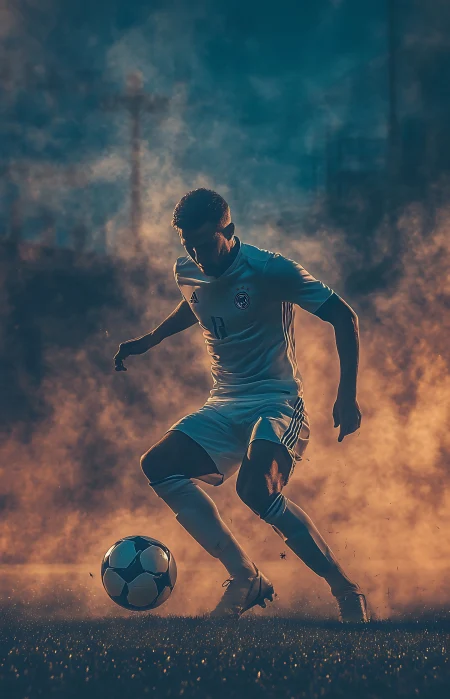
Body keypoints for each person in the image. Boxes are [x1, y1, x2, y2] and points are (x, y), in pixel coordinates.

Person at [114, 188, 368, 623]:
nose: (197, 255)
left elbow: (344, 316)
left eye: (205, 244)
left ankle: (344, 588)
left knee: (254, 490)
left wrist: (347, 395)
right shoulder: (188, 269)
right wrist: (149, 340)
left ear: (228, 231)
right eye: (188, 246)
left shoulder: (271, 270)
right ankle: (245, 577)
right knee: (157, 465)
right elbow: (196, 302)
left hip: (277, 399)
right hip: (224, 401)